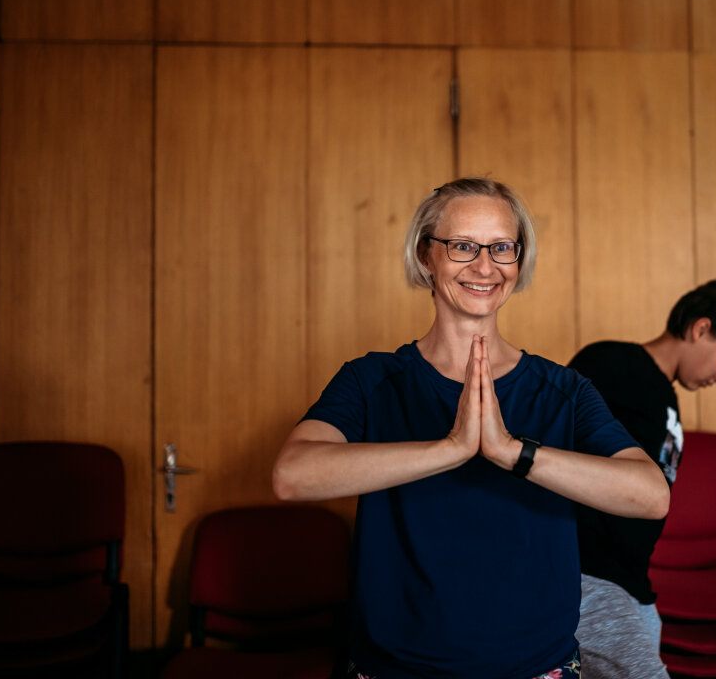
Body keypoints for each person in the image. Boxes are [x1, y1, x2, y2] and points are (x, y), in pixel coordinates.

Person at [273, 177, 670, 679]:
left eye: (502, 247)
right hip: (393, 668)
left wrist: (512, 452)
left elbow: (650, 495)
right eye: (462, 246)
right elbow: (292, 475)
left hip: (538, 668)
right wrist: (451, 448)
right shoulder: (371, 380)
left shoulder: (564, 391)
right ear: (426, 255)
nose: (485, 266)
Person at [569, 280, 716, 679]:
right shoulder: (613, 362)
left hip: (632, 579)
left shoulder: (666, 396)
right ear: (701, 329)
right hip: (588, 570)